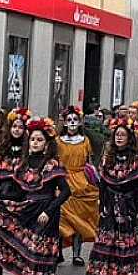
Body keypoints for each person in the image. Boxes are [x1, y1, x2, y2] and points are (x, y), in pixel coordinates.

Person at [0, 110, 69, 275]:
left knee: (38, 253)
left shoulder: (52, 164)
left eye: (39, 140)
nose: (35, 143)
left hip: (46, 212)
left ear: (47, 143)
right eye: (33, 140)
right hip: (28, 209)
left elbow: (65, 192)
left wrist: (49, 210)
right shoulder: (24, 163)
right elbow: (18, 189)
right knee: (29, 253)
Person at [85, 116, 138, 275]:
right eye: (117, 135)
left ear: (129, 138)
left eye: (122, 135)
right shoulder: (108, 158)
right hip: (111, 205)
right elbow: (103, 183)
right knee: (108, 240)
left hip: (131, 205)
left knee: (130, 241)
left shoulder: (137, 159)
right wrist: (102, 204)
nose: (119, 138)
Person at [55, 107, 99, 266]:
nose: (72, 123)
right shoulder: (58, 141)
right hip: (63, 181)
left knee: (80, 220)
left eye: (75, 120)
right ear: (65, 123)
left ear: (79, 122)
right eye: (69, 120)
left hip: (81, 182)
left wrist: (93, 177)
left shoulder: (85, 141)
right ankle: (58, 251)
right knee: (61, 219)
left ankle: (76, 254)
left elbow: (90, 162)